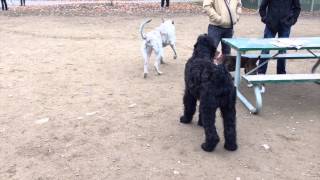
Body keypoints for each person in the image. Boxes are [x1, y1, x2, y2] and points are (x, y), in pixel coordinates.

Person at [258, 0, 301, 74]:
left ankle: (281, 74)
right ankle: (261, 74)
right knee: (265, 49)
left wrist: (292, 21)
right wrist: (265, 18)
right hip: (270, 25)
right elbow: (262, 6)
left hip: (285, 25)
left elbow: (297, 8)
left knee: (282, 50)